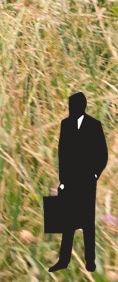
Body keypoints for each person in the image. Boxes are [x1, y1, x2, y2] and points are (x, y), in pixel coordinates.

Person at [55, 92, 108, 272]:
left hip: (86, 181)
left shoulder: (94, 125)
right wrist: (62, 181)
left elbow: (103, 154)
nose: (71, 108)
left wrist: (94, 175)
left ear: (82, 106)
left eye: (74, 105)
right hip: (69, 181)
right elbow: (62, 154)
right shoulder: (66, 124)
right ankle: (64, 260)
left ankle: (90, 262)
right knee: (67, 222)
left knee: (87, 223)